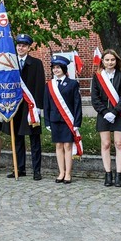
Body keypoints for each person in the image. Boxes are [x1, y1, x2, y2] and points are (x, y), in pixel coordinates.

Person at [4, 34, 45, 180]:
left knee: (34, 139)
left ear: (28, 48)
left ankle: (36, 170)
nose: (20, 48)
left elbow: (40, 86)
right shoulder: (10, 63)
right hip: (15, 106)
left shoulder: (36, 63)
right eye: (18, 45)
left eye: (23, 46)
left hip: (30, 106)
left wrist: (39, 107)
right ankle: (19, 168)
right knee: (17, 138)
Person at [90, 49, 121, 187]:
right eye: (107, 60)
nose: (110, 62)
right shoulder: (97, 77)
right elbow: (95, 98)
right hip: (103, 115)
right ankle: (108, 174)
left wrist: (114, 112)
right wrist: (104, 112)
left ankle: (119, 174)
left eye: (112, 60)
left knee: (119, 144)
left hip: (118, 114)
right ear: (102, 61)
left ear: (116, 61)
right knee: (106, 144)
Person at [43, 55, 82, 184]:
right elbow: (46, 104)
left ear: (64, 69)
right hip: (55, 120)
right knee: (58, 146)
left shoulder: (72, 84)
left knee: (67, 146)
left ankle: (68, 173)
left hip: (68, 120)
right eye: (54, 68)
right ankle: (61, 172)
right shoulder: (49, 85)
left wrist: (77, 122)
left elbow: (77, 104)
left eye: (58, 67)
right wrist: (47, 121)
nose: (56, 70)